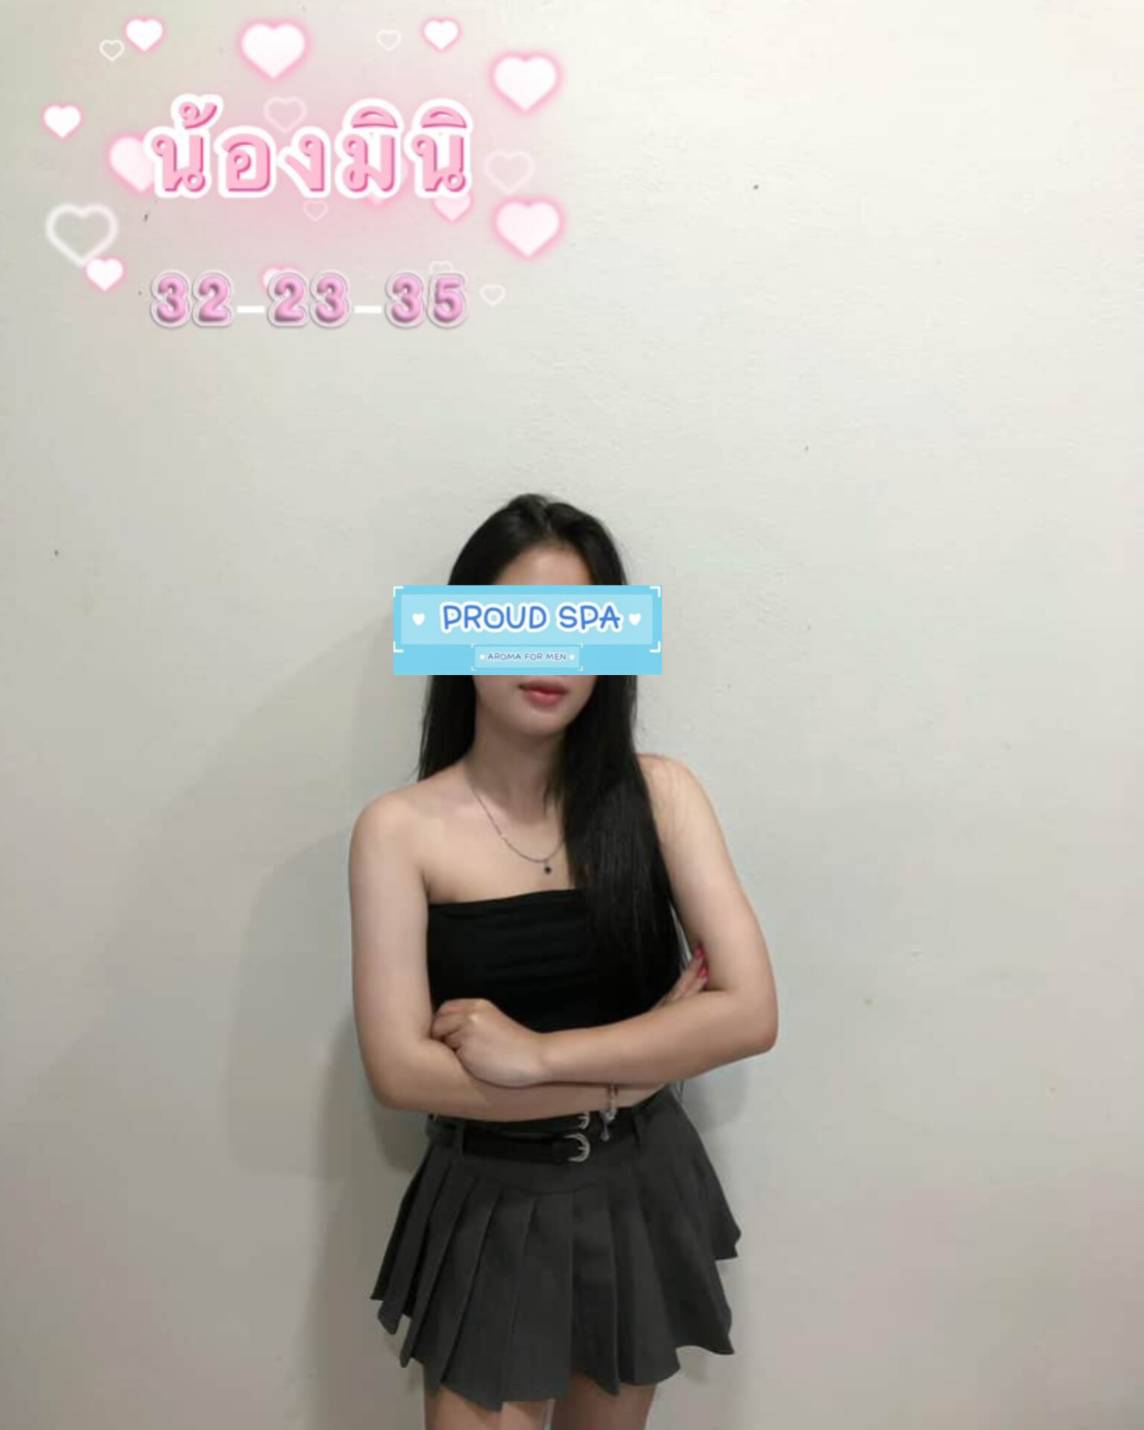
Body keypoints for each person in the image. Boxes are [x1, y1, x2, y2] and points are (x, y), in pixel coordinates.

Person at [350, 493, 778, 1428]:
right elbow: (400, 1072)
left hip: (637, 1185)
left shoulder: (661, 797)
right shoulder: (399, 830)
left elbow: (749, 1014)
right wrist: (632, 1074)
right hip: (488, 1200)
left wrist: (537, 1057)